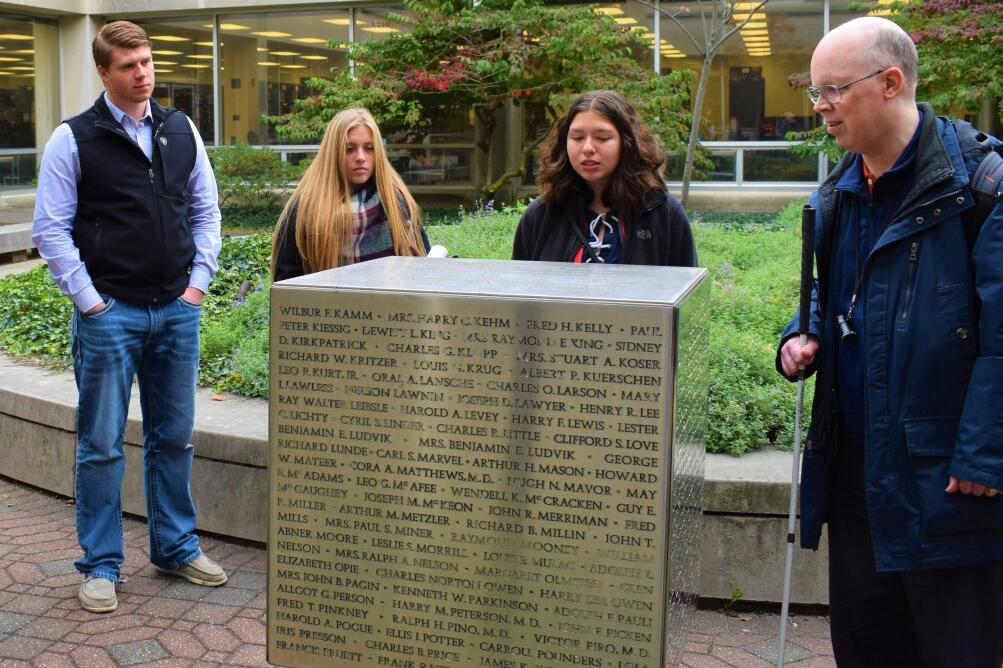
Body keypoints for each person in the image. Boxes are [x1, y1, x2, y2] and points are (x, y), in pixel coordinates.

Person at [776, 17, 1003, 666]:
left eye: (830, 90)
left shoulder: (980, 189)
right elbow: (831, 296)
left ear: (889, 83)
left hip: (951, 490)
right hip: (855, 478)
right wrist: (801, 334)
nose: (817, 107)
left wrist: (983, 459)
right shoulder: (837, 196)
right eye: (812, 91)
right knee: (866, 650)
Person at [31, 21, 225, 614]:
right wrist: (90, 301)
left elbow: (206, 211)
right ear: (104, 72)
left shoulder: (179, 128)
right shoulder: (74, 138)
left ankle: (174, 545)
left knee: (173, 438)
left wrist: (196, 286)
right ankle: (100, 564)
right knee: (101, 444)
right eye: (128, 66)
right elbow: (51, 231)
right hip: (110, 313)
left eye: (146, 61)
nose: (143, 74)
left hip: (176, 310)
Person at [512, 90, 695, 266]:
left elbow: (687, 294)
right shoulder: (541, 214)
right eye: (577, 137)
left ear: (627, 143)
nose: (587, 148)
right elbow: (520, 292)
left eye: (602, 138)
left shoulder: (662, 213)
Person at [272, 108, 428, 281]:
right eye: (349, 149)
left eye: (369, 148)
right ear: (333, 153)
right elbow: (285, 289)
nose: (361, 157)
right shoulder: (303, 210)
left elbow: (423, 269)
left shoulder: (397, 202)